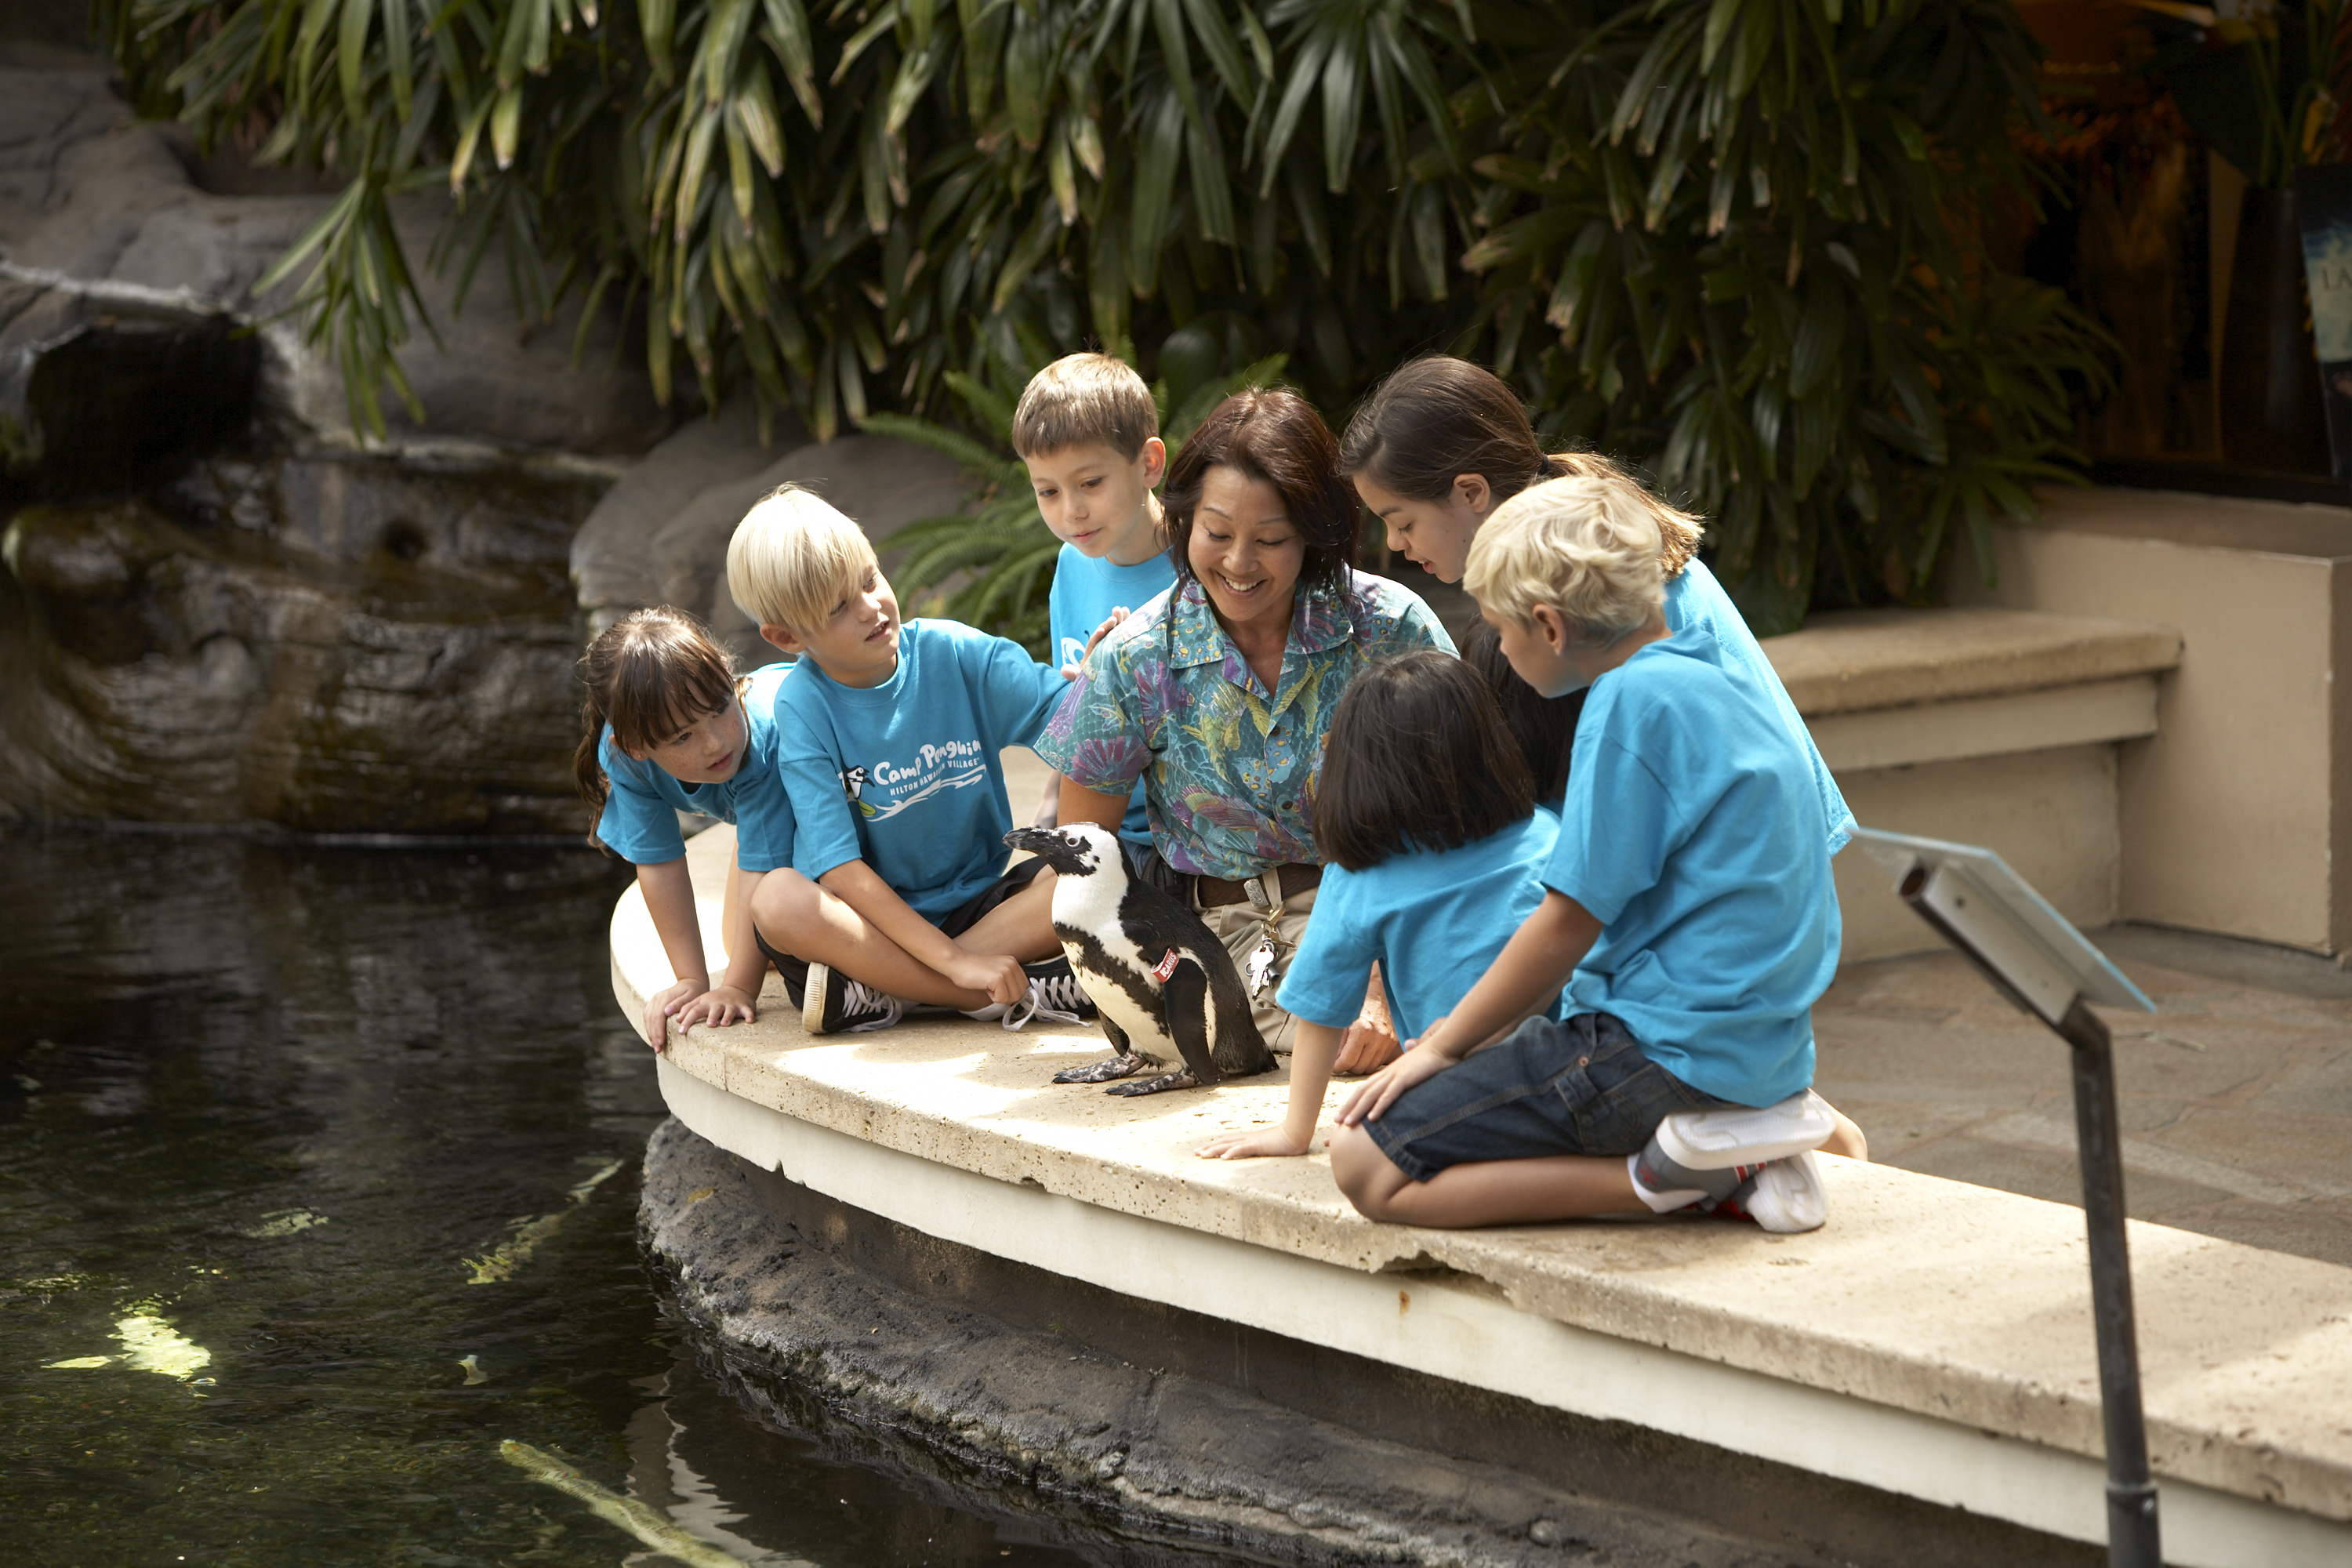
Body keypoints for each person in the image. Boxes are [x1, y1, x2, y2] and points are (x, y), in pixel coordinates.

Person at [1330, 472, 1858, 1232]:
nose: (1501, 653)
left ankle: (1678, 1178)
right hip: (1765, 1055)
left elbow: (1566, 922)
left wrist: (1440, 1049)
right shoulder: (1720, 682)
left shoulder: (1625, 705)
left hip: (1657, 1056)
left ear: (1549, 625)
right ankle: (1722, 1153)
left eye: (1501, 631)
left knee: (1365, 1159)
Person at [1037, 388, 1454, 1062]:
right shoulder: (1136, 659)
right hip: (1228, 937)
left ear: (1314, 533)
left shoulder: (1390, 628)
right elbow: (1084, 862)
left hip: (1402, 915)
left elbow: (1463, 813)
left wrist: (1377, 973)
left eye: (1271, 540)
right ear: (1183, 521)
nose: (1238, 564)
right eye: (1217, 534)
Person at [1339, 354, 1855, 853]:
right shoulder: (1611, 556)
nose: (1394, 545)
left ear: (1471, 492)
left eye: (1404, 522)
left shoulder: (1583, 608)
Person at [739, 487, 1098, 1036]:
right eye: (837, 607)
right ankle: (990, 990)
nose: (870, 607)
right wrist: (956, 965)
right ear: (786, 637)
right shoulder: (803, 706)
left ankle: (884, 993)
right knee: (778, 901)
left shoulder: (954, 654)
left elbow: (1071, 716)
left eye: (869, 579)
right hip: (862, 929)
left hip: (979, 905)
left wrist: (1104, 678)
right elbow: (840, 869)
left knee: (1091, 872)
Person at [1196, 652, 1561, 1161]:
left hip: (1459, 1088)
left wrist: (1294, 1132)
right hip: (1571, 1077)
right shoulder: (1547, 835)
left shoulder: (1360, 874)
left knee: (1359, 1151)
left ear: (1357, 766)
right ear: (1487, 743)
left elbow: (1321, 1011)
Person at [574, 606, 800, 1052]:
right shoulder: (624, 759)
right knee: (744, 942)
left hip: (859, 808)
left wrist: (737, 988)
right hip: (780, 833)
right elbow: (657, 860)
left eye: (719, 709)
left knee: (775, 936)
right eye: (683, 737)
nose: (716, 742)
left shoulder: (767, 730)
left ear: (732, 681)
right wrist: (692, 979)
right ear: (636, 747)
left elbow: (764, 862)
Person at [1015, 353, 1174, 855]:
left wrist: (1119, 685)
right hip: (1096, 829)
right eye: (1047, 491)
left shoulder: (1205, 569)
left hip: (1180, 845)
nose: (1071, 511)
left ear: (1149, 463)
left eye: (1090, 483)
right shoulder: (1072, 562)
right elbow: (1069, 738)